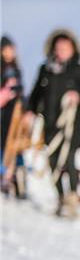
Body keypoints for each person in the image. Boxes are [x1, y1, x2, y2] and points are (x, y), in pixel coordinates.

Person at [27, 29, 80, 217]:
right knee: (52, 161)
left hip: (72, 125)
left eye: (65, 48)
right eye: (58, 48)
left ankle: (73, 198)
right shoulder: (46, 69)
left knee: (68, 158)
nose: (61, 51)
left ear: (73, 49)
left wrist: (78, 96)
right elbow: (36, 94)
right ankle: (60, 197)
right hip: (50, 125)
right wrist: (30, 112)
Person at [1, 35, 26, 198]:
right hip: (2, 115)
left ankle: (16, 182)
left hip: (15, 116)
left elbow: (21, 93)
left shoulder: (16, 70)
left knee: (16, 149)